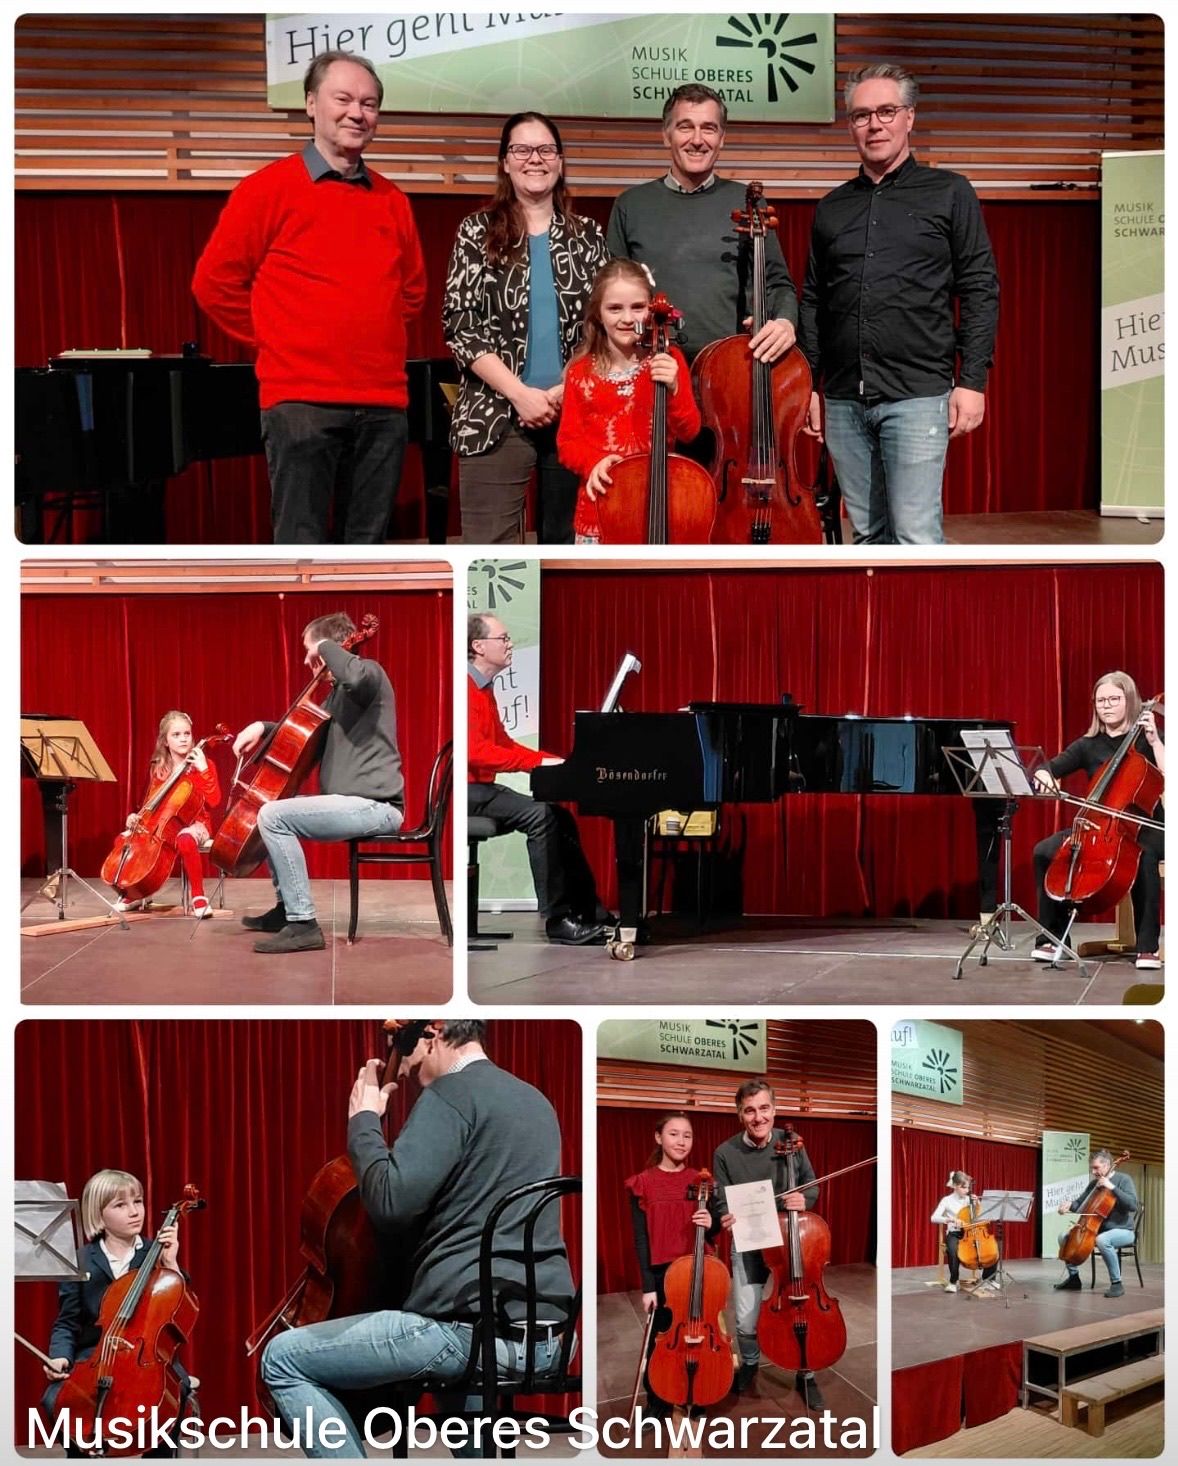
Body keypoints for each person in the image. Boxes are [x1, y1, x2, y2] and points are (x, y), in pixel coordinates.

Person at [261, 1019, 576, 1457]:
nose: (403, 1072)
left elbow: (390, 1203)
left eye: (404, 1055)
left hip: (470, 1340)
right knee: (454, 1391)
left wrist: (364, 1120)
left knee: (282, 1358)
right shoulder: (536, 1101)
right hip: (550, 1341)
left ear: (432, 1033)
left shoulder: (450, 1094)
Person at [192, 50, 426, 544]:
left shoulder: (394, 202)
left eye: (369, 103)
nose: (357, 113)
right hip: (301, 404)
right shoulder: (265, 190)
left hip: (383, 407)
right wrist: (278, 342)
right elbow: (213, 284)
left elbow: (411, 293)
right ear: (311, 104)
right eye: (343, 98)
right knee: (301, 548)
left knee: (369, 550)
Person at [798, 63, 1000, 545]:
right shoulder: (832, 207)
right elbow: (813, 299)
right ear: (850, 126)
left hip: (917, 395)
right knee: (867, 535)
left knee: (915, 536)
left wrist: (971, 382)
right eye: (861, 115)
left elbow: (979, 287)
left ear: (909, 117)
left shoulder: (950, 192)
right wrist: (807, 385)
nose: (874, 124)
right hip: (844, 400)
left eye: (886, 111)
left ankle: (930, 624)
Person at [443, 111, 610, 544]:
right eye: (521, 149)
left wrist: (559, 391)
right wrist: (520, 394)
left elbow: (604, 328)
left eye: (546, 149)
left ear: (560, 160)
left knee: (571, 552)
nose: (534, 159)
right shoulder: (475, 232)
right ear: (504, 162)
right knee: (491, 560)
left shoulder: (589, 236)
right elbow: (461, 324)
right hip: (493, 413)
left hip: (575, 412)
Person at [232, 612, 403, 954]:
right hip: (352, 804)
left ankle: (303, 924)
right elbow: (304, 737)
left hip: (376, 806)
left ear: (329, 650)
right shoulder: (336, 698)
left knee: (273, 815)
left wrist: (324, 645)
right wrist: (262, 728)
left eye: (309, 650)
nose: (305, 659)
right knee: (271, 813)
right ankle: (287, 910)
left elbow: (353, 676)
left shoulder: (368, 673)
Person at [606, 84, 799, 366]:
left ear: (721, 138)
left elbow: (778, 284)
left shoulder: (748, 203)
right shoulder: (630, 205)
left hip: (732, 372)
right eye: (685, 127)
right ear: (666, 135)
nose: (697, 140)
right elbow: (610, 294)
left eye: (709, 128)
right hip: (652, 371)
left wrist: (784, 321)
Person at [467, 614, 607, 945]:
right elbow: (477, 753)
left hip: (482, 788)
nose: (510, 643)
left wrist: (547, 761)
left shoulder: (484, 690)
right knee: (540, 816)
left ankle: (589, 911)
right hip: (466, 791)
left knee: (559, 814)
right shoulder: (466, 689)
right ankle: (557, 920)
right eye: (503, 638)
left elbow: (502, 744)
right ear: (478, 646)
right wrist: (535, 765)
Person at [41, 1169, 191, 1459]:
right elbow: (67, 1323)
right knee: (53, 1401)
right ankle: (85, 1454)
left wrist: (170, 1262)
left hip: (148, 1357)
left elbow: (180, 1302)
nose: (134, 1212)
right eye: (120, 1205)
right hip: (94, 1355)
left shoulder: (155, 1252)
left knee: (176, 1392)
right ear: (98, 1214)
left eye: (138, 1201)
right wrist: (60, 1356)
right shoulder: (79, 1260)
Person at [557, 260, 702, 543]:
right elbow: (567, 442)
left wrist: (673, 389)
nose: (626, 318)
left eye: (637, 307)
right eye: (614, 308)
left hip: (660, 506)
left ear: (651, 309)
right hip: (600, 509)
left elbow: (690, 430)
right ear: (598, 314)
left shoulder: (668, 360)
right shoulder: (580, 372)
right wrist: (592, 461)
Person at [1032, 671, 1164, 970]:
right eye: (1101, 700)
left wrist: (1155, 741)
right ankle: (1051, 939)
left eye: (1114, 699)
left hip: (1149, 825)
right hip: (1100, 825)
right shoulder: (1087, 745)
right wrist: (1045, 775)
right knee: (1044, 850)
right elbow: (1048, 768)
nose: (1106, 705)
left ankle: (1147, 947)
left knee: (1143, 856)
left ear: (1129, 701)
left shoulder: (1149, 739)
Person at [711, 1079, 817, 1394]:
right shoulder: (725, 1153)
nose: (758, 1118)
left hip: (788, 1244)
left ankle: (805, 1373)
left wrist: (805, 1198)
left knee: (800, 1311)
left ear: (774, 1109)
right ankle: (751, 1364)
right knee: (745, 1320)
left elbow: (811, 1182)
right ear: (739, 1115)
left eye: (764, 1108)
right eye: (750, 1111)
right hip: (749, 1243)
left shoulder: (792, 1141)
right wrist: (725, 1214)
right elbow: (720, 1199)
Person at [625, 1112, 715, 1418]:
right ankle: (657, 1402)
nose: (681, 1141)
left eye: (687, 1135)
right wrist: (648, 1285)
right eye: (674, 1134)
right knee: (660, 1342)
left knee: (700, 1336)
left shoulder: (701, 1181)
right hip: (663, 1274)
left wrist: (711, 1221)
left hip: (698, 1269)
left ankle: (698, 1391)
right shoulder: (643, 1183)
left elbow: (712, 1232)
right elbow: (640, 1239)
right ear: (658, 1137)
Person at [110, 710, 221, 916]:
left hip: (197, 823)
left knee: (185, 839)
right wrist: (136, 817)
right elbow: (151, 803)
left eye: (186, 734)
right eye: (176, 735)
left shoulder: (203, 766)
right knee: (123, 840)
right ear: (166, 741)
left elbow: (214, 801)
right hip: (162, 824)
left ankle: (198, 896)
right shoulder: (159, 769)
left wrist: (204, 768)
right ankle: (136, 891)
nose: (183, 739)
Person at [1055, 1149, 1138, 1298]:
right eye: (1092, 1168)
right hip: (1096, 1228)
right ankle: (1074, 1278)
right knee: (1063, 1236)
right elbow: (1080, 1204)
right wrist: (1068, 1206)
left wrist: (1112, 1187)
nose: (1093, 1171)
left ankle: (1117, 1283)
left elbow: (1132, 1205)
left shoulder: (1123, 1179)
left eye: (1096, 1168)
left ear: (1107, 1166)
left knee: (1103, 1240)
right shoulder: (1094, 1184)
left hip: (1123, 1231)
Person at [930, 1172, 998, 1294]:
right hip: (955, 1233)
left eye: (968, 1187)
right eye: (964, 1187)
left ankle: (988, 1278)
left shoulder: (970, 1199)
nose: (967, 1190)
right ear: (955, 1185)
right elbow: (933, 1218)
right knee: (952, 1250)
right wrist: (950, 1219)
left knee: (993, 1247)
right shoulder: (947, 1200)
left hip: (974, 1232)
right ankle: (953, 1281)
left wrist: (978, 1204)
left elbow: (982, 1216)